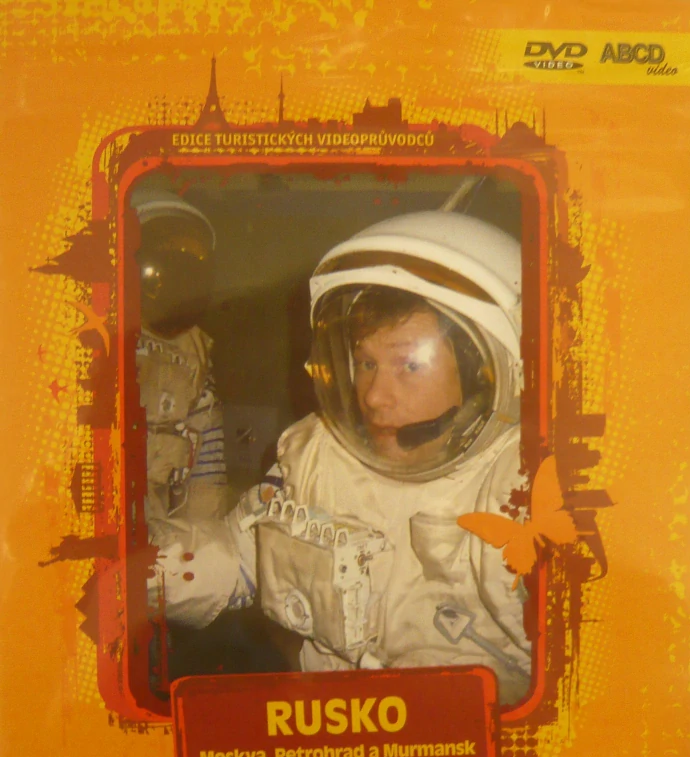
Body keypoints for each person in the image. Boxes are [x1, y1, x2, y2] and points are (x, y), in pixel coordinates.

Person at [151, 210, 531, 705]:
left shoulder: (524, 489)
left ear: (483, 373)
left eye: (409, 364)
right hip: (327, 719)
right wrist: (134, 569)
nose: (374, 396)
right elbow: (244, 557)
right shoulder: (315, 457)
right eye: (367, 363)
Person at [132, 189, 228, 525]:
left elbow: (207, 475)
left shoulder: (194, 357)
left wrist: (202, 543)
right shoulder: (91, 339)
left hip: (154, 529)